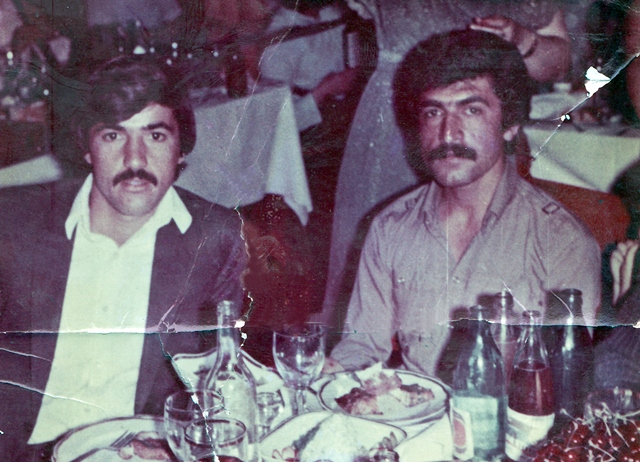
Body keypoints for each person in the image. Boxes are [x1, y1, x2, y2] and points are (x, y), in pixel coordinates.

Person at [0, 57, 246, 459]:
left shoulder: (215, 237)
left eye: (156, 136)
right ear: (87, 148)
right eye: (114, 136)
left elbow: (224, 377)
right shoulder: (14, 224)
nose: (135, 160)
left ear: (181, 148)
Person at [327, 29, 600, 380]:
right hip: (411, 409)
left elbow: (564, 379)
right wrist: (336, 377)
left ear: (510, 124)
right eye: (433, 112)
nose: (448, 134)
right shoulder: (389, 227)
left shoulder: (560, 241)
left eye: (471, 110)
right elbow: (361, 348)